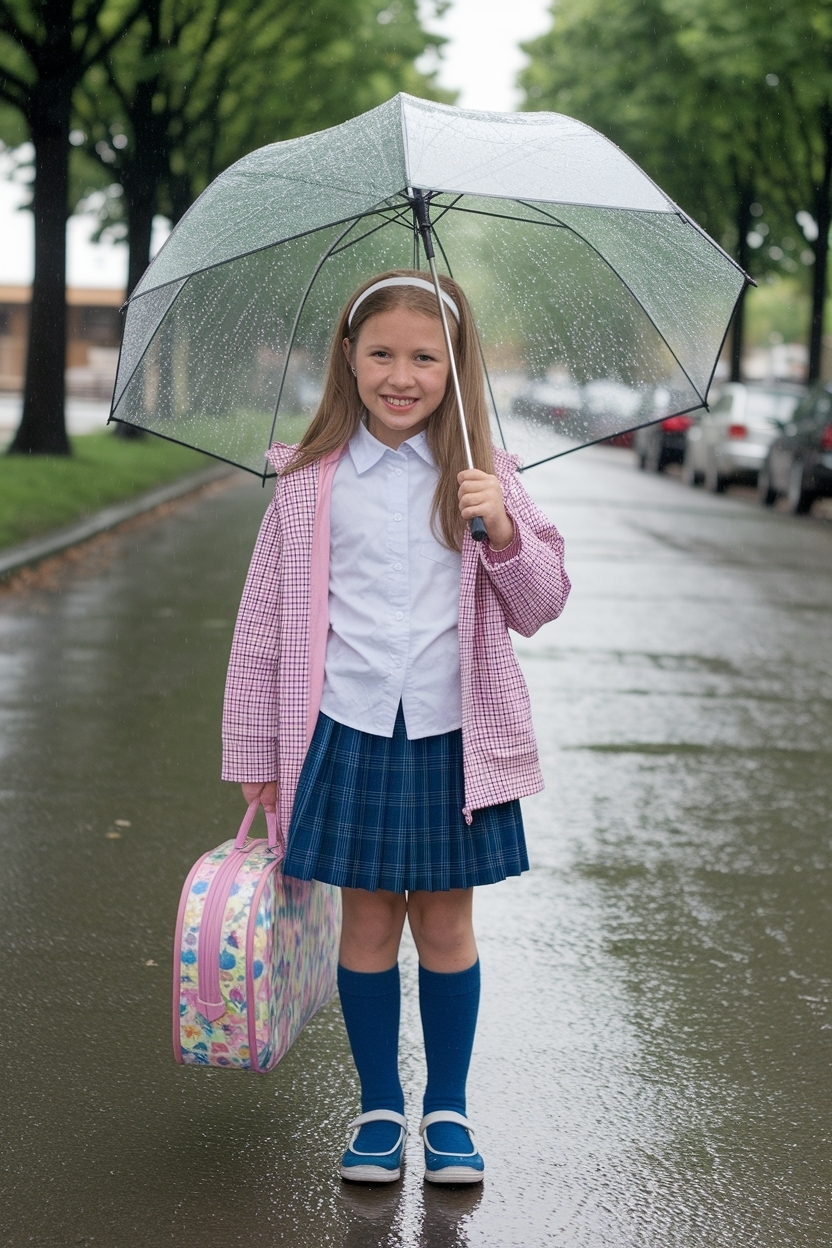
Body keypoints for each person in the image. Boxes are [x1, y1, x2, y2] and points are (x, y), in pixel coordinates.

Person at [222, 269, 570, 1185]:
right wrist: (258, 755)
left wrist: (501, 532)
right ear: (349, 358)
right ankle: (379, 1109)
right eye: (382, 354)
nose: (402, 375)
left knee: (447, 927)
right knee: (367, 927)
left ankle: (447, 1112)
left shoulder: (491, 479)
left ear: (456, 365)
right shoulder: (307, 484)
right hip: (346, 727)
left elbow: (541, 605)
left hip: (454, 737)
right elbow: (262, 625)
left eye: (426, 356)